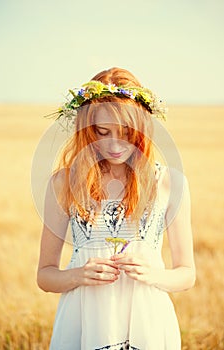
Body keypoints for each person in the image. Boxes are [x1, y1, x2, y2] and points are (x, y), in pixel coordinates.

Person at [37, 67, 196, 350]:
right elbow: (45, 275)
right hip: (83, 320)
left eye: (125, 132)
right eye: (102, 131)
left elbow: (187, 273)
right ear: (86, 130)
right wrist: (77, 275)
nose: (114, 144)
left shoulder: (169, 182)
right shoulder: (63, 183)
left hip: (148, 320)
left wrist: (153, 274)